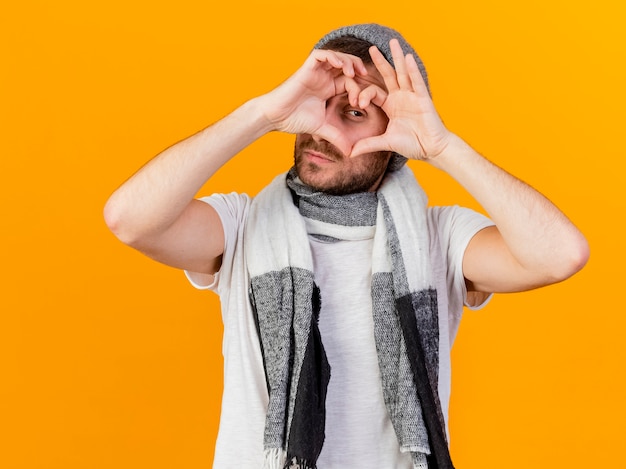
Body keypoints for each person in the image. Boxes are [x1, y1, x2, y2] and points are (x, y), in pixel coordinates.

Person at [104, 24, 589, 469]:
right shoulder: (242, 224)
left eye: (354, 113)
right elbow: (130, 220)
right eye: (319, 108)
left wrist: (442, 147)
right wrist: (263, 115)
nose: (322, 130)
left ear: (396, 140)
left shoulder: (438, 239)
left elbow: (560, 254)